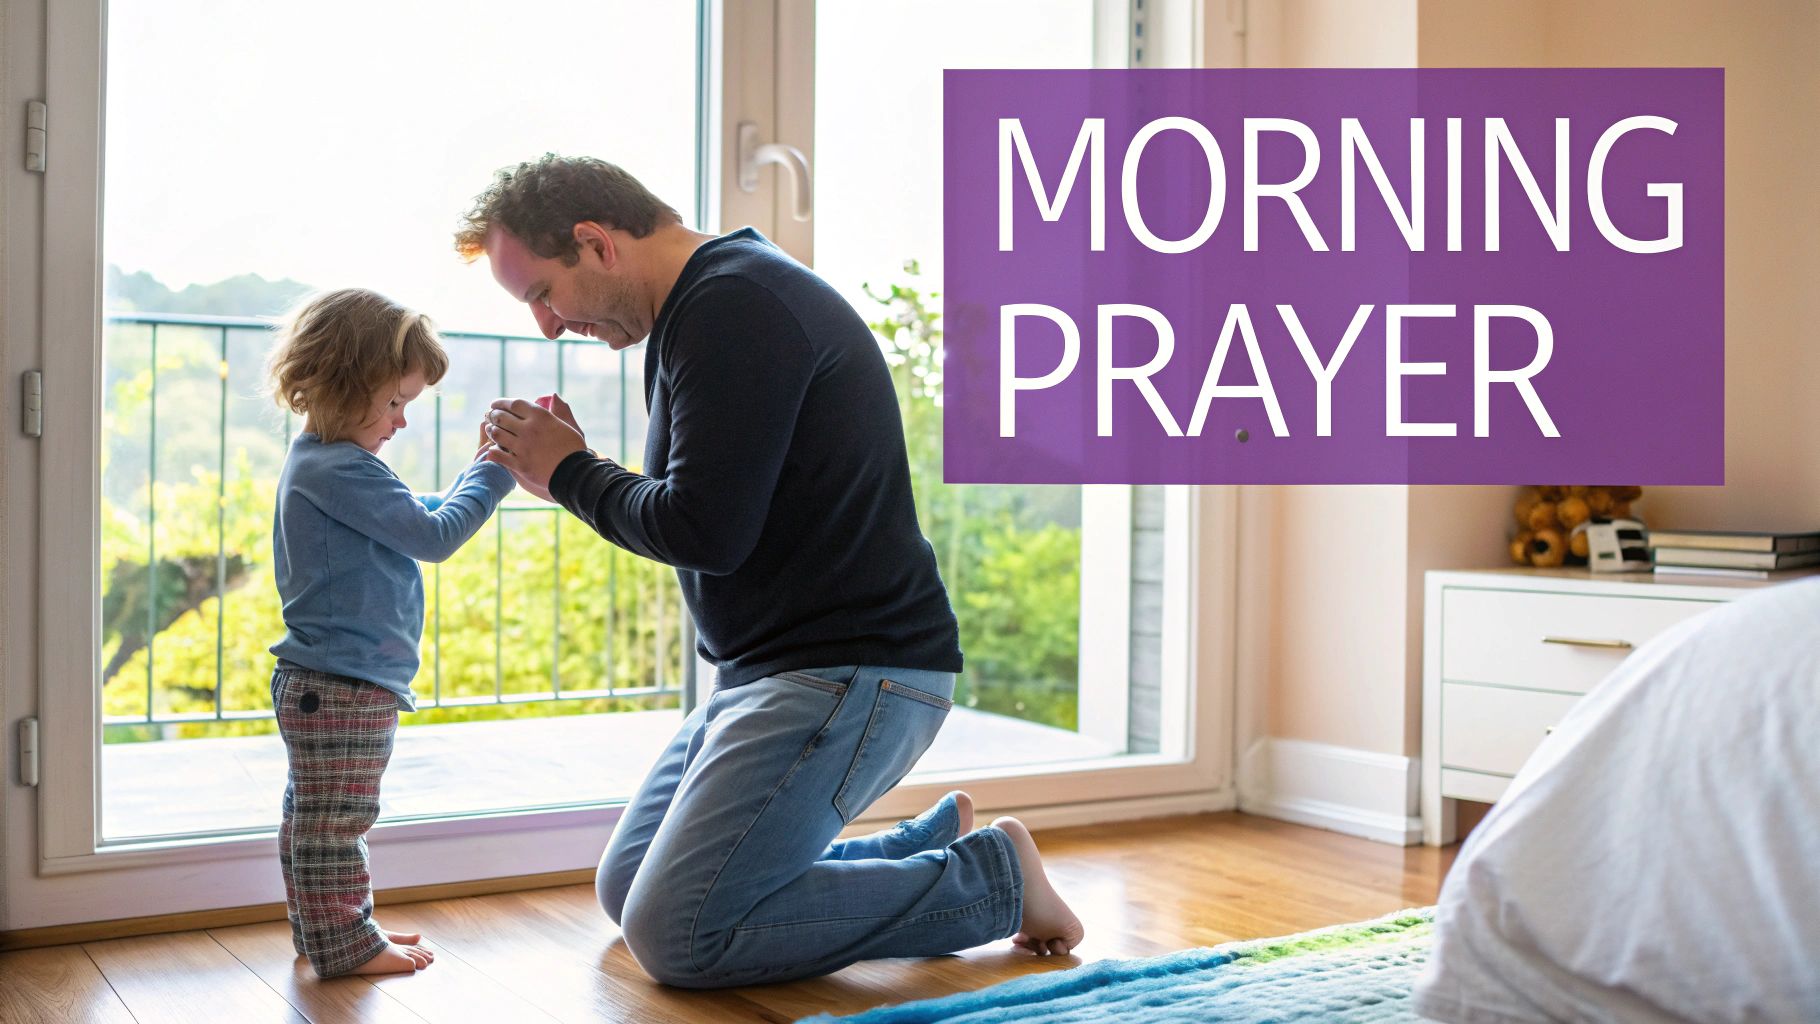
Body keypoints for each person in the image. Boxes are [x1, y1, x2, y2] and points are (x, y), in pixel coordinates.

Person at [453, 154, 1084, 988]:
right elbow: (707, 511)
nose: (546, 324)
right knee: (627, 888)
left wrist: (570, 473)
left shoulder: (733, 307)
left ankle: (992, 882)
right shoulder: (701, 308)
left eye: (540, 294)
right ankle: (916, 849)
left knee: (679, 933)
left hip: (857, 670)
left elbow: (705, 531)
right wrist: (568, 469)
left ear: (596, 243)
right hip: (772, 675)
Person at [265, 288, 516, 977]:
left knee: (316, 822)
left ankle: (327, 930)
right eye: (395, 402)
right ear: (347, 387)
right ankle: (345, 943)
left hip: (334, 681)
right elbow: (432, 535)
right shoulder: (338, 466)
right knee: (336, 824)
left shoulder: (323, 461)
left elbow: (411, 512)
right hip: (342, 685)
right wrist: (495, 474)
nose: (401, 422)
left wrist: (473, 474)